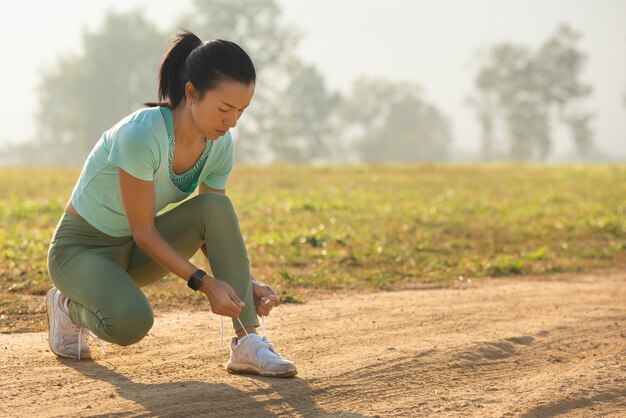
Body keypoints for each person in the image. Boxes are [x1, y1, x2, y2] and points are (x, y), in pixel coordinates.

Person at [45, 30, 297, 378]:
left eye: (242, 110)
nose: (233, 121)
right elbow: (144, 230)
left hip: (132, 252)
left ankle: (248, 343)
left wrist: (245, 282)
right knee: (131, 323)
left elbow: (214, 228)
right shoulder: (141, 134)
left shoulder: (219, 145)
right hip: (81, 251)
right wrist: (204, 283)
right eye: (224, 108)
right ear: (191, 93)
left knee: (216, 207)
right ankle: (67, 306)